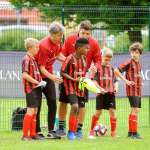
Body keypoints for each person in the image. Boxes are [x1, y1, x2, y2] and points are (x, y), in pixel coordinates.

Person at [58, 20, 101, 137]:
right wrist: (70, 63)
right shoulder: (69, 40)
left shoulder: (94, 44)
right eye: (83, 33)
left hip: (83, 79)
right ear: (79, 32)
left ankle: (78, 129)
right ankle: (61, 127)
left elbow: (98, 60)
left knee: (81, 104)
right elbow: (60, 55)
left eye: (88, 34)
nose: (85, 36)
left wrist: (94, 68)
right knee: (63, 101)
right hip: (68, 78)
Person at [36, 22, 66, 139]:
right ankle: (37, 131)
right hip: (37, 77)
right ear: (52, 34)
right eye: (59, 35)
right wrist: (53, 77)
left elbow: (58, 55)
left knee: (53, 101)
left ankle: (51, 131)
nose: (60, 38)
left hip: (48, 76)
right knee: (37, 105)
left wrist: (68, 60)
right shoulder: (44, 46)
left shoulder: (58, 43)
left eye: (61, 35)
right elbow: (41, 68)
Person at [60, 38, 90, 140]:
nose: (88, 50)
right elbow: (62, 72)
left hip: (80, 87)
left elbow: (83, 73)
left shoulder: (84, 59)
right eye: (86, 48)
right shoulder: (69, 58)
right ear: (79, 48)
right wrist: (73, 79)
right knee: (75, 106)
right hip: (70, 87)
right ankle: (70, 132)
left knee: (78, 109)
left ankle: (74, 131)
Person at [114, 42, 143, 139]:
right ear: (131, 53)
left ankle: (131, 132)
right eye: (133, 52)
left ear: (140, 54)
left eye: (137, 52)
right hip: (132, 90)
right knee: (134, 109)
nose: (134, 54)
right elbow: (116, 71)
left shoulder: (139, 64)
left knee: (136, 110)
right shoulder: (129, 62)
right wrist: (126, 80)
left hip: (138, 91)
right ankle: (134, 133)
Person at [89, 47, 118, 139]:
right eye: (106, 59)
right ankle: (91, 132)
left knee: (113, 112)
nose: (107, 61)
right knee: (98, 113)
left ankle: (113, 133)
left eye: (109, 60)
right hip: (100, 94)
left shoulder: (112, 68)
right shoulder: (97, 67)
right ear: (101, 56)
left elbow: (115, 81)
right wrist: (100, 88)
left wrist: (116, 88)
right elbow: (93, 81)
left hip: (110, 94)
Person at [22, 38, 46, 141]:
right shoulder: (26, 59)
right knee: (30, 110)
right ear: (30, 48)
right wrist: (36, 82)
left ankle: (33, 134)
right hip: (30, 89)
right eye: (36, 47)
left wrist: (41, 81)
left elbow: (35, 75)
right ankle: (25, 135)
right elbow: (24, 75)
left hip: (37, 89)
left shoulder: (33, 60)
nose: (38, 49)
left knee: (35, 111)